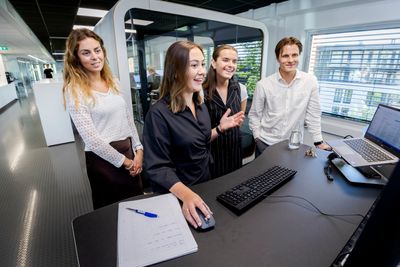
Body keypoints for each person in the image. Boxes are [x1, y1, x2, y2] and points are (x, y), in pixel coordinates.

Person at [143, 40, 244, 229]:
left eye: (203, 64)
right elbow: (157, 167)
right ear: (175, 71)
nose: (201, 71)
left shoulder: (200, 106)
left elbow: (201, 142)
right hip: (179, 194)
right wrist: (186, 194)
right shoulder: (158, 114)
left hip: (204, 184)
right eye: (194, 65)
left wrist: (220, 128)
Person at [62, 29, 144, 209]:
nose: (94, 57)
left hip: (127, 150)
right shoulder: (74, 90)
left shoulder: (113, 81)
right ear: (76, 58)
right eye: (86, 52)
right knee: (112, 210)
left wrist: (138, 149)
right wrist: (126, 162)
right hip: (102, 160)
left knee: (136, 205)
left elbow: (127, 117)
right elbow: (91, 139)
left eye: (97, 50)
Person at [248, 36, 331, 157]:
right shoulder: (263, 85)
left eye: (295, 55)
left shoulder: (310, 81)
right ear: (278, 58)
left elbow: (313, 114)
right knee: (263, 176)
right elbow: (254, 115)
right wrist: (257, 138)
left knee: (290, 176)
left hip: (293, 145)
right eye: (285, 56)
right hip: (266, 143)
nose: (291, 60)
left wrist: (319, 142)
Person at [203, 44, 248, 178]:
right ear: (213, 63)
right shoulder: (200, 91)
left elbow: (239, 121)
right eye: (225, 60)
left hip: (234, 149)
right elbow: (198, 133)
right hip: (211, 151)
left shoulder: (241, 89)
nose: (231, 65)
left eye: (234, 61)